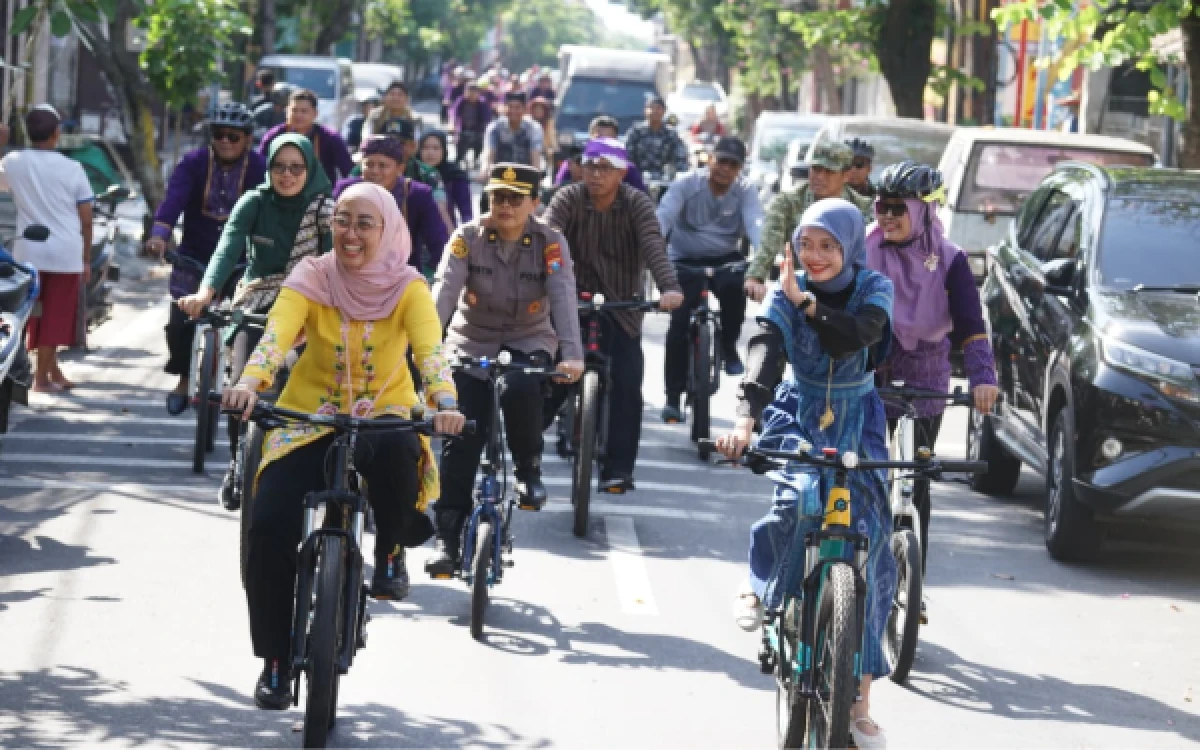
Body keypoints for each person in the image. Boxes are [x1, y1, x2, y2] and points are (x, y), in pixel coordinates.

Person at [221, 181, 465, 710]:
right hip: (309, 417)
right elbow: (276, 337)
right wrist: (249, 383)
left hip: (384, 416)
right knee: (268, 527)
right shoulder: (312, 274)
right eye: (342, 221)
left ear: (387, 228)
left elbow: (430, 352)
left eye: (364, 223)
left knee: (401, 455)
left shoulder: (409, 286)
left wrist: (443, 399)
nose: (350, 234)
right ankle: (277, 661)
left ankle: (393, 541)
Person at [716, 198, 896, 750]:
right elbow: (765, 353)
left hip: (860, 418)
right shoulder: (784, 293)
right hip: (800, 411)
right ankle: (760, 585)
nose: (814, 257)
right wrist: (745, 422)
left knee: (876, 543)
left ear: (849, 247)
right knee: (795, 502)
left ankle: (861, 701)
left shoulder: (873, 289)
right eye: (806, 244)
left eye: (827, 246)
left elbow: (859, 335)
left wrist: (811, 306)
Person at [427, 163, 585, 574]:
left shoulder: (551, 242)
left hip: (528, 338)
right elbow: (443, 292)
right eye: (499, 197)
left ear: (535, 203)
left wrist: (572, 355)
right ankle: (446, 538)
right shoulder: (467, 237)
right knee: (460, 436)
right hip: (471, 340)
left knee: (520, 387)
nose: (506, 206)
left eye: (517, 198)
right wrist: (424, 350)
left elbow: (564, 297)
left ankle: (528, 469)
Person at [866, 162, 998, 617]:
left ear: (923, 210)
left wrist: (983, 378)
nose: (886, 217)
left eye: (897, 209)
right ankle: (855, 563)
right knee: (864, 465)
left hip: (926, 372)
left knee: (916, 474)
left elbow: (971, 325)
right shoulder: (862, 246)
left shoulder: (951, 259)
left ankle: (909, 578)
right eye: (881, 207)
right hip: (871, 367)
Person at [179, 134, 334, 507]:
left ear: (309, 169)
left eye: (296, 167)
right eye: (279, 167)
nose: (287, 175)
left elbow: (337, 265)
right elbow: (228, 245)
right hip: (257, 303)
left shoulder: (326, 211)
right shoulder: (254, 202)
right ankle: (238, 462)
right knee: (238, 387)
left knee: (318, 389)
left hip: (312, 307)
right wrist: (205, 293)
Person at [544, 139, 684, 493]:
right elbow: (548, 239)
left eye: (605, 168)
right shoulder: (567, 199)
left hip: (622, 306)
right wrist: (540, 280)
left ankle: (618, 470)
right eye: (590, 166)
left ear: (622, 173)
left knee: (627, 381)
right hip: (570, 302)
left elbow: (654, 245)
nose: (595, 174)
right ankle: (529, 457)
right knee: (546, 376)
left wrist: (669, 287)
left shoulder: (637, 204)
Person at [145, 102, 267, 415]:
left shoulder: (259, 168)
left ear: (248, 139)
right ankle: (184, 380)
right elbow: (174, 199)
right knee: (179, 322)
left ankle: (240, 382)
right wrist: (160, 235)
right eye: (218, 134)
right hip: (195, 255)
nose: (225, 141)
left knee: (247, 325)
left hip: (242, 260)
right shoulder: (194, 162)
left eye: (233, 136)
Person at [657, 136, 763, 423]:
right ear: (710, 160)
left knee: (736, 292)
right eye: (721, 161)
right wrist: (653, 251)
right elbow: (663, 217)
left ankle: (729, 346)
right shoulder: (686, 184)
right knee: (678, 324)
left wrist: (763, 264)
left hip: (725, 259)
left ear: (740, 168)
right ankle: (672, 397)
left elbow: (757, 225)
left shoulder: (746, 191)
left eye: (733, 164)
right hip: (684, 259)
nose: (725, 169)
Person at [0, 105, 92, 392]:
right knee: (56, 316)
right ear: (56, 133)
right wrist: (87, 258)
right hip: (66, 253)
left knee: (33, 313)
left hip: (28, 251)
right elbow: (86, 220)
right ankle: (41, 378)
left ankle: (49, 372)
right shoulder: (72, 168)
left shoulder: (13, 161)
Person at [744, 139, 873, 302]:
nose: (819, 177)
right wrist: (755, 277)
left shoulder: (864, 207)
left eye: (829, 171)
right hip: (799, 286)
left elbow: (870, 254)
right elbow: (769, 243)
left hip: (848, 291)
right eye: (816, 169)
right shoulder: (787, 202)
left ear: (846, 175)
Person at [336, 135, 448, 278]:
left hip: (400, 277)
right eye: (369, 164)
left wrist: (426, 275)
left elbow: (438, 243)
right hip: (351, 274)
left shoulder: (416, 195)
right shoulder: (347, 191)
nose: (375, 171)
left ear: (400, 168)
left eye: (383, 166)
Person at [259, 89, 353, 183]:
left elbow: (349, 173)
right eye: (294, 110)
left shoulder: (330, 138)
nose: (298, 115)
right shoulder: (274, 136)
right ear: (287, 111)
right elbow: (260, 169)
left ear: (315, 114)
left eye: (304, 111)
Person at [553, 116, 646, 191]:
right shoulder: (573, 165)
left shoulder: (626, 169)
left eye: (607, 139)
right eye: (599, 139)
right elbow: (558, 192)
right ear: (590, 138)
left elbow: (643, 201)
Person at [480, 92, 544, 175]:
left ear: (525, 109)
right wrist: (485, 171)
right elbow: (489, 154)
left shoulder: (534, 128)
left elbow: (535, 157)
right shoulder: (495, 127)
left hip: (524, 177)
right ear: (504, 108)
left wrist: (536, 177)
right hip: (499, 176)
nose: (513, 111)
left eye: (517, 107)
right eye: (510, 107)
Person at [624, 96, 689, 179]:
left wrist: (682, 177)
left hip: (664, 180)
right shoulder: (636, 131)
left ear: (664, 111)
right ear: (645, 110)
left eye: (658, 108)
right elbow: (626, 156)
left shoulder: (671, 134)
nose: (655, 111)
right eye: (651, 107)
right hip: (638, 180)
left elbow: (681, 158)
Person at [419, 130, 473, 226]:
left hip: (446, 232)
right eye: (425, 147)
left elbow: (466, 214)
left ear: (444, 150)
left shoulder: (455, 175)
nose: (430, 152)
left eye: (436, 148)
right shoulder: (413, 173)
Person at [450, 81, 492, 169]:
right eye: (469, 92)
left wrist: (486, 128)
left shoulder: (482, 103)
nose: (472, 95)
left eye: (474, 93)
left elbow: (487, 118)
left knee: (480, 141)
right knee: (460, 141)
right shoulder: (461, 101)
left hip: (478, 130)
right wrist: (453, 124)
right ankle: (459, 159)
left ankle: (476, 159)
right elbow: (454, 114)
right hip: (463, 129)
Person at [529, 96, 557, 171]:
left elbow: (552, 140)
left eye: (540, 109)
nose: (538, 111)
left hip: (543, 153)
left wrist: (552, 150)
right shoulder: (527, 123)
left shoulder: (548, 123)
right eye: (536, 109)